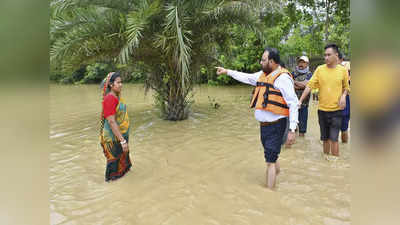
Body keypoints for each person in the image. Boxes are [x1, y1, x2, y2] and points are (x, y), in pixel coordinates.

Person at [216, 47, 298, 189]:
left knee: (269, 162)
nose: (261, 62)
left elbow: (293, 103)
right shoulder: (262, 74)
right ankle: (277, 171)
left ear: (272, 61)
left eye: (263, 60)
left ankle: (269, 193)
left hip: (276, 125)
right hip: (264, 126)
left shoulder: (283, 78)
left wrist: (292, 129)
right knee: (270, 156)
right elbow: (246, 77)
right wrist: (227, 71)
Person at [298, 44, 350, 159]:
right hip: (322, 111)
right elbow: (309, 86)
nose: (326, 57)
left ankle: (335, 164)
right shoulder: (320, 70)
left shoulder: (343, 71)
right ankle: (326, 161)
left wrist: (343, 96)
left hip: (336, 111)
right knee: (325, 139)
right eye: (325, 55)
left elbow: (347, 87)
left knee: (334, 139)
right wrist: (300, 100)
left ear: (336, 55)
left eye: (328, 55)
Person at [100, 72, 132, 181]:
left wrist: (123, 139)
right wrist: (122, 141)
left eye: (121, 82)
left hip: (120, 137)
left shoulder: (117, 97)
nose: (121, 84)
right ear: (111, 85)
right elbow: (111, 122)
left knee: (123, 166)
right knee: (113, 169)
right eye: (118, 82)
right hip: (114, 140)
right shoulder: (110, 99)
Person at [293, 56, 313, 136]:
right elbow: (289, 84)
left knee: (302, 130)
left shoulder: (309, 74)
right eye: (300, 62)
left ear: (307, 64)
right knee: (293, 128)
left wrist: (295, 82)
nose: (301, 64)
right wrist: (302, 85)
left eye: (303, 62)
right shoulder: (293, 73)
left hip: (304, 104)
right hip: (293, 103)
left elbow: (307, 85)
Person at [338, 52, 351, 143]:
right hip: (330, 102)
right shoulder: (327, 69)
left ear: (341, 60)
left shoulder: (346, 69)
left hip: (345, 100)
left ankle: (344, 145)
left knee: (344, 127)